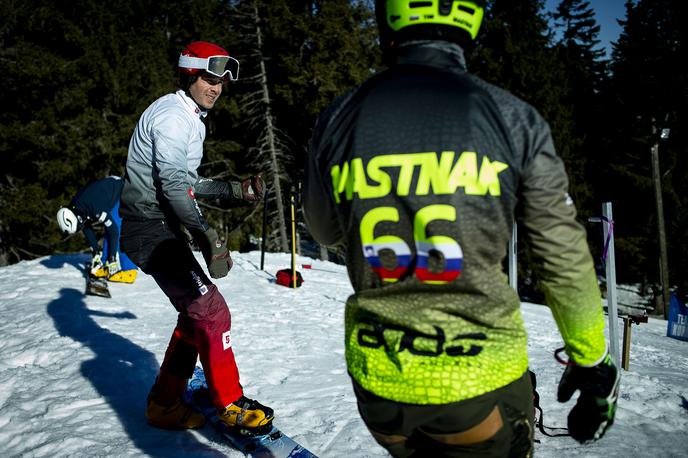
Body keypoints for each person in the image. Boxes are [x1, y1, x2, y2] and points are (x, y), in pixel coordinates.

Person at [303, 1, 619, 456]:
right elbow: (562, 256)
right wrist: (591, 361)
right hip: (478, 378)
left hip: (379, 380)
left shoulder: (338, 115)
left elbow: (325, 229)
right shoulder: (512, 116)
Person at [119, 40, 273, 433]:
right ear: (190, 74)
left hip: (158, 227)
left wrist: (232, 191)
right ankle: (230, 404)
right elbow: (172, 187)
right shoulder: (174, 118)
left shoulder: (188, 116)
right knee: (211, 310)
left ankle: (164, 403)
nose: (217, 87)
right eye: (209, 77)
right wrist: (206, 236)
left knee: (195, 314)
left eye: (222, 79)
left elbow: (185, 182)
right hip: (149, 228)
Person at [56, 176, 138, 283]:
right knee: (109, 229)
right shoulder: (75, 207)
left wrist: (112, 258)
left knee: (118, 229)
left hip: (120, 191)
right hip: (105, 194)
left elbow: (113, 231)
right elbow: (86, 226)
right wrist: (95, 253)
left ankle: (129, 270)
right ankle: (103, 263)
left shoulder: (95, 208)